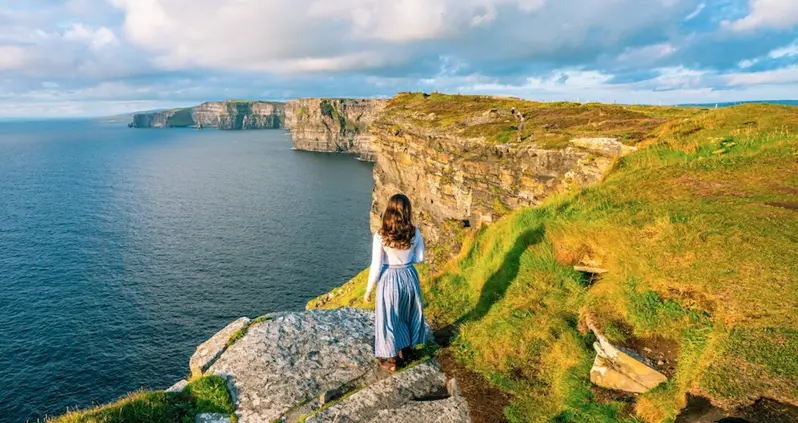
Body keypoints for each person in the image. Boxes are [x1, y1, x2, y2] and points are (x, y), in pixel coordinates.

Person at [363, 194, 426, 372]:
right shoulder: (415, 231)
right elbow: (420, 258)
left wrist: (368, 291)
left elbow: (376, 265)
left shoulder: (381, 235)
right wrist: (407, 257)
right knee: (407, 314)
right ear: (407, 211)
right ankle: (406, 351)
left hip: (389, 279)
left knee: (389, 318)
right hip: (409, 276)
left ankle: (391, 360)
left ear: (389, 210)